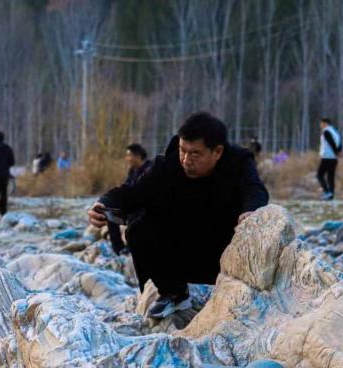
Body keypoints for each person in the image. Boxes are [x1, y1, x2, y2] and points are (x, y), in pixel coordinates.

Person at [88, 112, 268, 319]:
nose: (186, 160)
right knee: (138, 228)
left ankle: (243, 296)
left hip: (224, 250)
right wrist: (103, 204)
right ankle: (173, 293)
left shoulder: (239, 162)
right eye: (183, 150)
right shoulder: (168, 165)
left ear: (217, 152)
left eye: (195, 154)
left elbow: (256, 190)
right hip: (182, 252)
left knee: (259, 222)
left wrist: (249, 212)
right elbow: (131, 193)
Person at [107, 143, 151, 255]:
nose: (127, 158)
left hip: (147, 208)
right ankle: (118, 249)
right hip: (133, 205)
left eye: (129, 155)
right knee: (111, 213)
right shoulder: (132, 170)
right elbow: (126, 188)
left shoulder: (151, 168)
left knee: (135, 215)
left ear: (138, 155)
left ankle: (132, 247)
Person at [317, 118, 342, 200]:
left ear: (325, 123)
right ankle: (331, 194)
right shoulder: (335, 131)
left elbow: (331, 142)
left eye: (321, 124)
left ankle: (327, 192)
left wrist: (336, 152)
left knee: (319, 175)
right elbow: (339, 142)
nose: (320, 125)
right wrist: (339, 151)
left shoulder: (326, 131)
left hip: (327, 157)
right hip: (334, 158)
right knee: (330, 176)